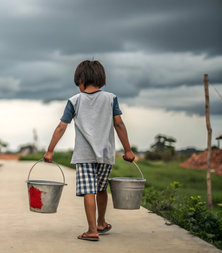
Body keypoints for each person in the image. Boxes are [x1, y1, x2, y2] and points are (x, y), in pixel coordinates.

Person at [44, 60, 135, 241]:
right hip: (106, 154)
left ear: (81, 80)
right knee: (101, 190)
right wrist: (128, 150)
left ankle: (92, 230)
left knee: (89, 191)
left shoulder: (74, 101)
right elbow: (119, 123)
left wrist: (50, 150)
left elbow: (61, 127)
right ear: (101, 79)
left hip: (84, 155)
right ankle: (101, 222)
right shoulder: (111, 98)